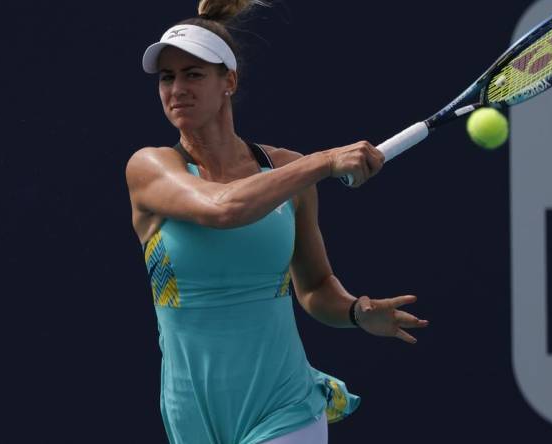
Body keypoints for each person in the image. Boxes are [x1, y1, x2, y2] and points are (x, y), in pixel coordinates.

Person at [125, 1, 429, 443]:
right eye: (167, 77)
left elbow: (314, 285)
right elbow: (224, 208)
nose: (177, 89)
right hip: (191, 416)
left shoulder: (286, 170)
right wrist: (322, 162)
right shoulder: (151, 168)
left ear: (228, 81)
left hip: (284, 407)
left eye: (193, 74)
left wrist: (355, 311)